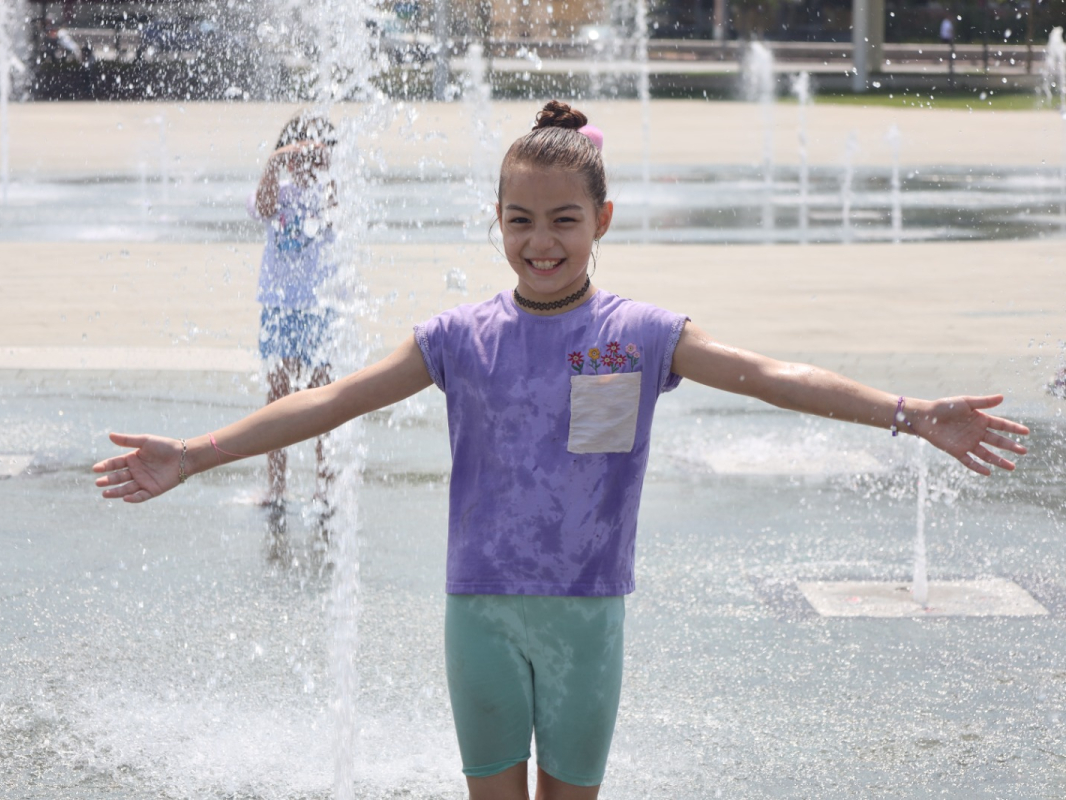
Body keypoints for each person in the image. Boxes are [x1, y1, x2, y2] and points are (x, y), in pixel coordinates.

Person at [93, 100, 1029, 799]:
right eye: (521, 221)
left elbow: (771, 374)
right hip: (482, 614)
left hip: (587, 618)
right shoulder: (458, 336)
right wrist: (195, 454)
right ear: (496, 222)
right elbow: (328, 402)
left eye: (564, 221)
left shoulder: (643, 333)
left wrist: (908, 412)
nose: (541, 242)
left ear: (603, 221)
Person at [249, 111, 339, 542]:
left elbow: (338, 213)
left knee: (324, 398)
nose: (304, 162)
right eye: (297, 152)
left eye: (313, 152)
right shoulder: (278, 192)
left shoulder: (330, 191)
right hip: (279, 308)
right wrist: (274, 160)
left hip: (319, 308)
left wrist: (327, 170)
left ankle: (325, 486)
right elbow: (262, 207)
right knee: (278, 395)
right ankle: (277, 486)